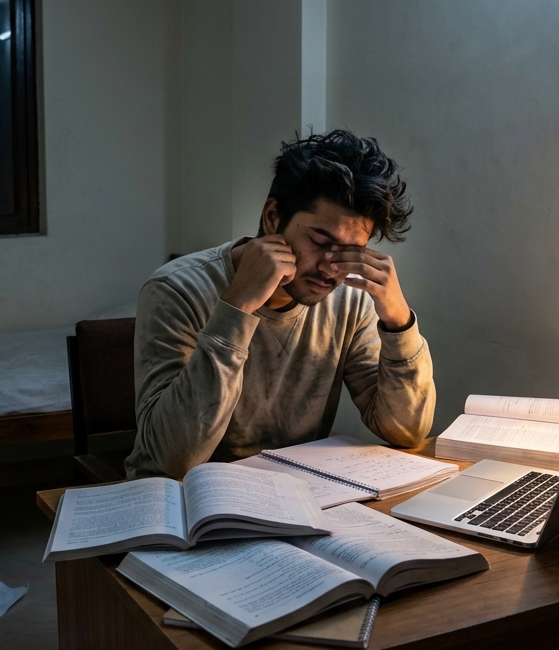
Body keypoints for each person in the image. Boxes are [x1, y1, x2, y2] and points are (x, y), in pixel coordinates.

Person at [124, 130, 435, 479]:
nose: (332, 266)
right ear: (273, 216)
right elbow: (172, 461)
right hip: (190, 503)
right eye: (320, 241)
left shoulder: (349, 300)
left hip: (295, 498)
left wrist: (398, 322)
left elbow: (405, 431)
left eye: (352, 250)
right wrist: (237, 306)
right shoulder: (176, 289)